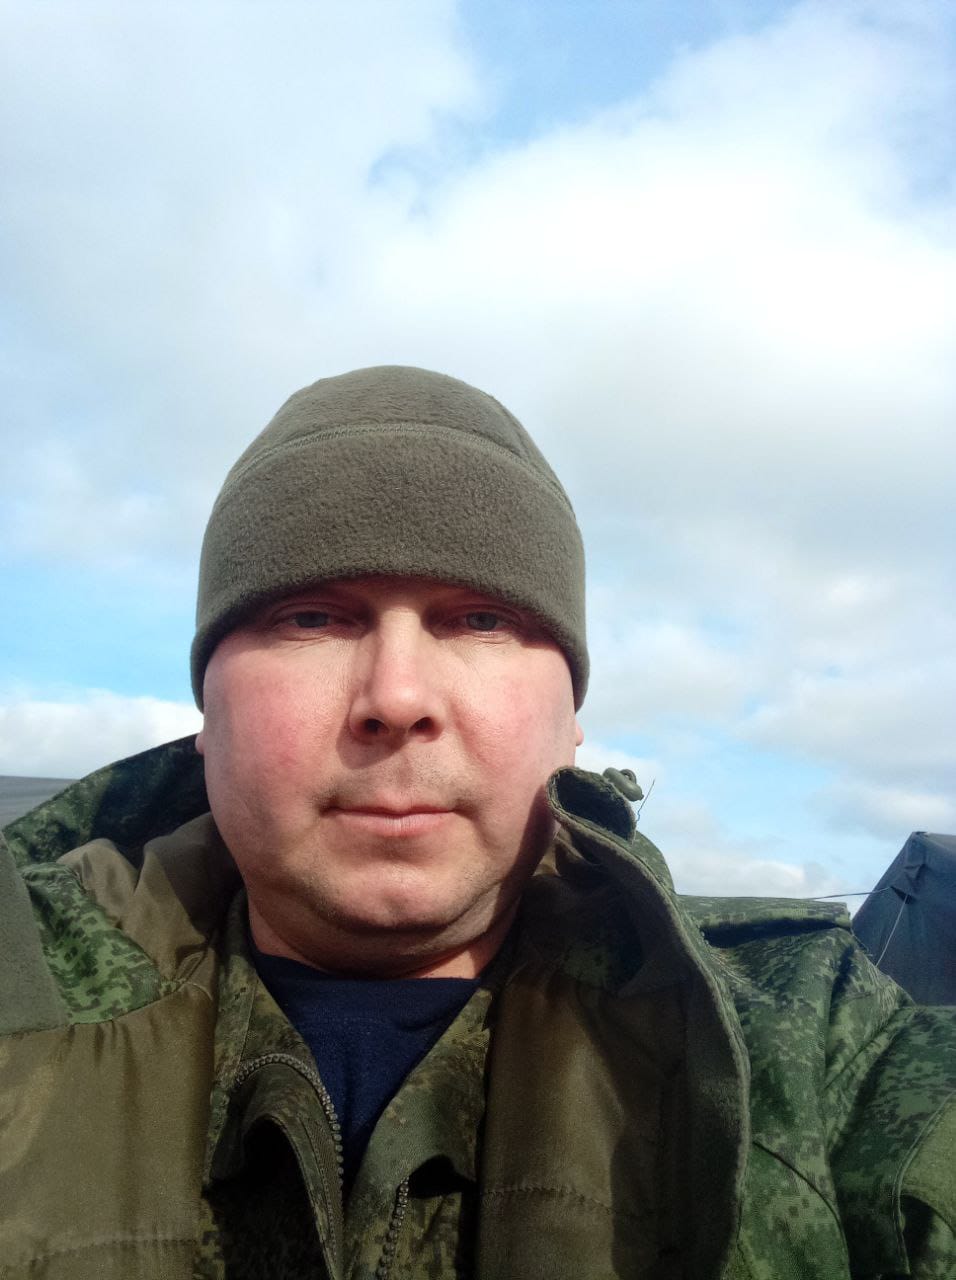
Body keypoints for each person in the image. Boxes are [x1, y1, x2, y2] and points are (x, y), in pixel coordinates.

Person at [1, 366, 954, 1280]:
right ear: (208, 713)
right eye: (312, 618)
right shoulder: (23, 989)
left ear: (571, 721)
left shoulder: (804, 1042)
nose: (396, 697)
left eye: (482, 621)